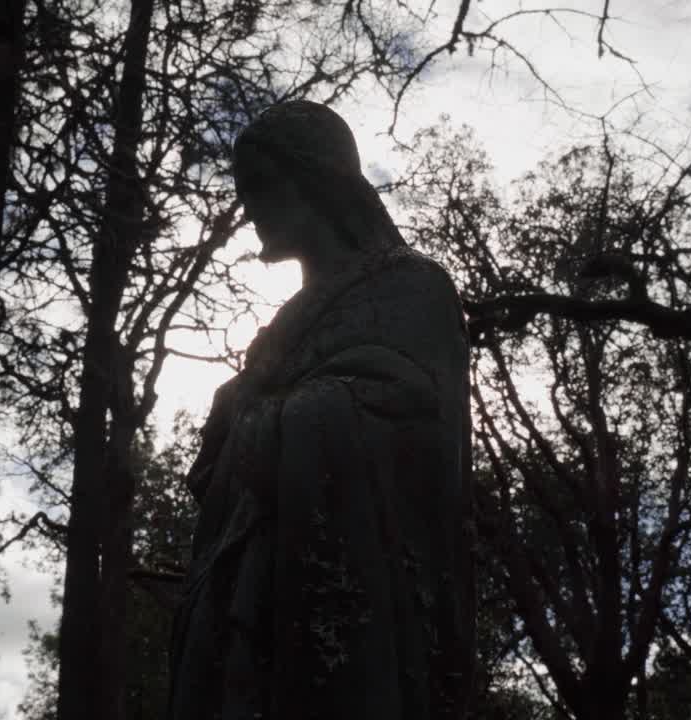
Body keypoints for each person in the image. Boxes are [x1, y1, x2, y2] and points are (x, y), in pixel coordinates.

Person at [167, 100, 469, 720]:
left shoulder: (413, 287)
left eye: (259, 185)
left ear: (315, 180)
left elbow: (422, 430)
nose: (246, 207)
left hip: (362, 611)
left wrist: (269, 420)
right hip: (248, 599)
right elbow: (220, 478)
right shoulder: (275, 331)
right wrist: (239, 422)